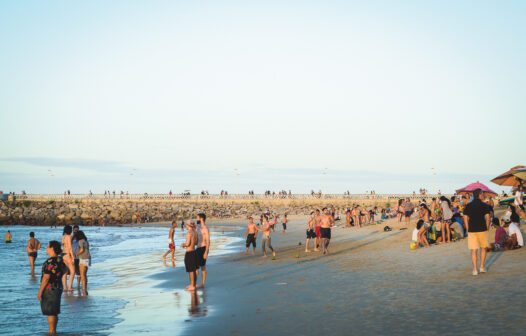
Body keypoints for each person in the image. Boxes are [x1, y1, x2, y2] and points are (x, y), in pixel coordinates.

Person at [38, 241, 67, 336]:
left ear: (52, 248)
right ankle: (53, 330)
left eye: (47, 247)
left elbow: (46, 278)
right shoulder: (60, 260)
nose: (46, 248)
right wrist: (58, 276)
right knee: (54, 311)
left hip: (50, 288)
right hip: (58, 287)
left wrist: (40, 291)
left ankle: (52, 332)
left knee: (50, 312)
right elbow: (66, 270)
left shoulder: (49, 262)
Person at [463, 188, 490, 276]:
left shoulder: (468, 205)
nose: (483, 195)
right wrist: (487, 227)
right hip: (482, 229)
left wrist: (467, 228)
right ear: (479, 195)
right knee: (483, 248)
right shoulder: (484, 205)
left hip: (472, 230)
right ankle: (482, 267)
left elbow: (465, 218)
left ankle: (475, 269)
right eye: (482, 193)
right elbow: (488, 218)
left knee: (474, 250)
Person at [181, 222, 198, 291]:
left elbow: (187, 243)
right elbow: (196, 243)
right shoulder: (195, 232)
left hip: (189, 252)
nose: (185, 226)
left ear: (188, 226)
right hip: (194, 251)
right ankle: (193, 284)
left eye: (186, 225)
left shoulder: (189, 233)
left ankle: (192, 285)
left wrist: (183, 245)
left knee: (191, 270)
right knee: (193, 269)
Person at [195, 213, 210, 289]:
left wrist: (206, 252)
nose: (196, 219)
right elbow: (196, 239)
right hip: (197, 248)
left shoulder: (205, 229)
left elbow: (208, 241)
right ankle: (194, 284)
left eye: (197, 217)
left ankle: (202, 283)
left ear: (201, 219)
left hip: (203, 248)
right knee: (196, 267)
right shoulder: (198, 228)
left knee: (202, 267)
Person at [74, 231, 90, 295]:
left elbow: (82, 250)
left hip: (83, 258)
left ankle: (83, 289)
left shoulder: (80, 241)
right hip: (88, 258)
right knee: (85, 275)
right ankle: (85, 288)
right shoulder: (86, 241)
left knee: (82, 275)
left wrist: (76, 254)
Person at [61, 225, 75, 291]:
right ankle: (70, 287)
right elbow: (70, 247)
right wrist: (72, 257)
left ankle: (65, 287)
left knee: (65, 272)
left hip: (63, 255)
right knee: (72, 272)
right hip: (68, 255)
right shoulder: (69, 237)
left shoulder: (63, 237)